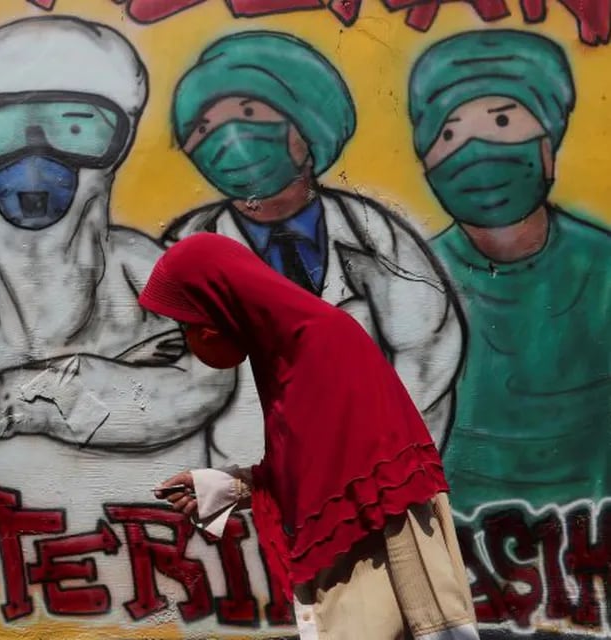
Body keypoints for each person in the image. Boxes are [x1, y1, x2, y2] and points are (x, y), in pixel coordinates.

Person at [0, 17, 234, 530]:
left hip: (130, 545)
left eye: (74, 129)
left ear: (117, 146)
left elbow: (210, 378)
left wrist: (45, 397)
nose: (33, 156)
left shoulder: (145, 270)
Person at [144, 233, 479, 640]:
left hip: (384, 556)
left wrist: (428, 622)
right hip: (355, 550)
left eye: (188, 322)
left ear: (220, 310)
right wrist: (224, 487)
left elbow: (387, 479)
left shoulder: (322, 343)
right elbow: (316, 467)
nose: (191, 337)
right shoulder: (285, 354)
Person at [163, 31, 464, 457]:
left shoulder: (371, 235)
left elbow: (429, 350)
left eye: (250, 112)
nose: (229, 138)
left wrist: (386, 455)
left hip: (371, 471)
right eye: (203, 127)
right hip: (249, 474)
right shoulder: (186, 250)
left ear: (308, 125)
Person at [409, 30, 611, 515]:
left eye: (503, 121)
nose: (478, 150)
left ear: (548, 145)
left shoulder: (602, 267)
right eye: (451, 133)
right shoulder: (414, 281)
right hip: (458, 541)